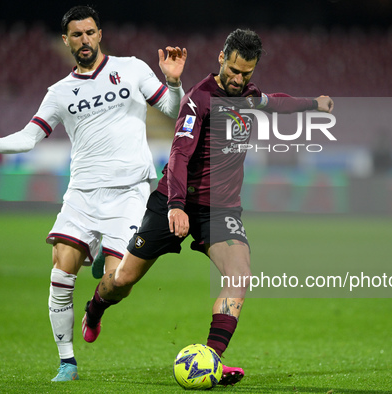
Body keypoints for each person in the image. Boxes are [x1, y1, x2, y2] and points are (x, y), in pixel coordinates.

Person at [81, 28, 333, 387]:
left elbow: (275, 102)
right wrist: (176, 205)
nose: (238, 78)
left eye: (246, 73)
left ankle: (211, 360)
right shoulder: (198, 99)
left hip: (221, 210)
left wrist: (313, 103)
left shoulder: (248, 96)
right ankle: (95, 309)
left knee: (240, 275)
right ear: (221, 58)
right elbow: (180, 154)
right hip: (174, 201)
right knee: (122, 280)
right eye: (233, 69)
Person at [0, 5, 187, 382]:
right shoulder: (59, 92)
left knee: (120, 283)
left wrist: (173, 82)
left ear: (100, 33)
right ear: (66, 41)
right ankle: (67, 363)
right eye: (76, 35)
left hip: (129, 192)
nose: (84, 40)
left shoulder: (132, 68)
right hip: (81, 194)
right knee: (60, 271)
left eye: (90, 32)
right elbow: (30, 137)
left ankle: (95, 309)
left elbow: (171, 110)